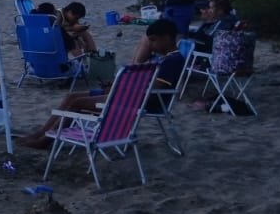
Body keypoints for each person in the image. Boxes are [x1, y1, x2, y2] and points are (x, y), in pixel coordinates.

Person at [18, 19, 184, 149]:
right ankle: (41, 133)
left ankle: (45, 141)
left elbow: (152, 92)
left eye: (153, 41)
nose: (152, 46)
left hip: (135, 103)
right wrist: (118, 87)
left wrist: (120, 88)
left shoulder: (172, 61)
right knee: (71, 96)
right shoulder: (164, 59)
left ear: (166, 37)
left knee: (77, 103)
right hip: (130, 96)